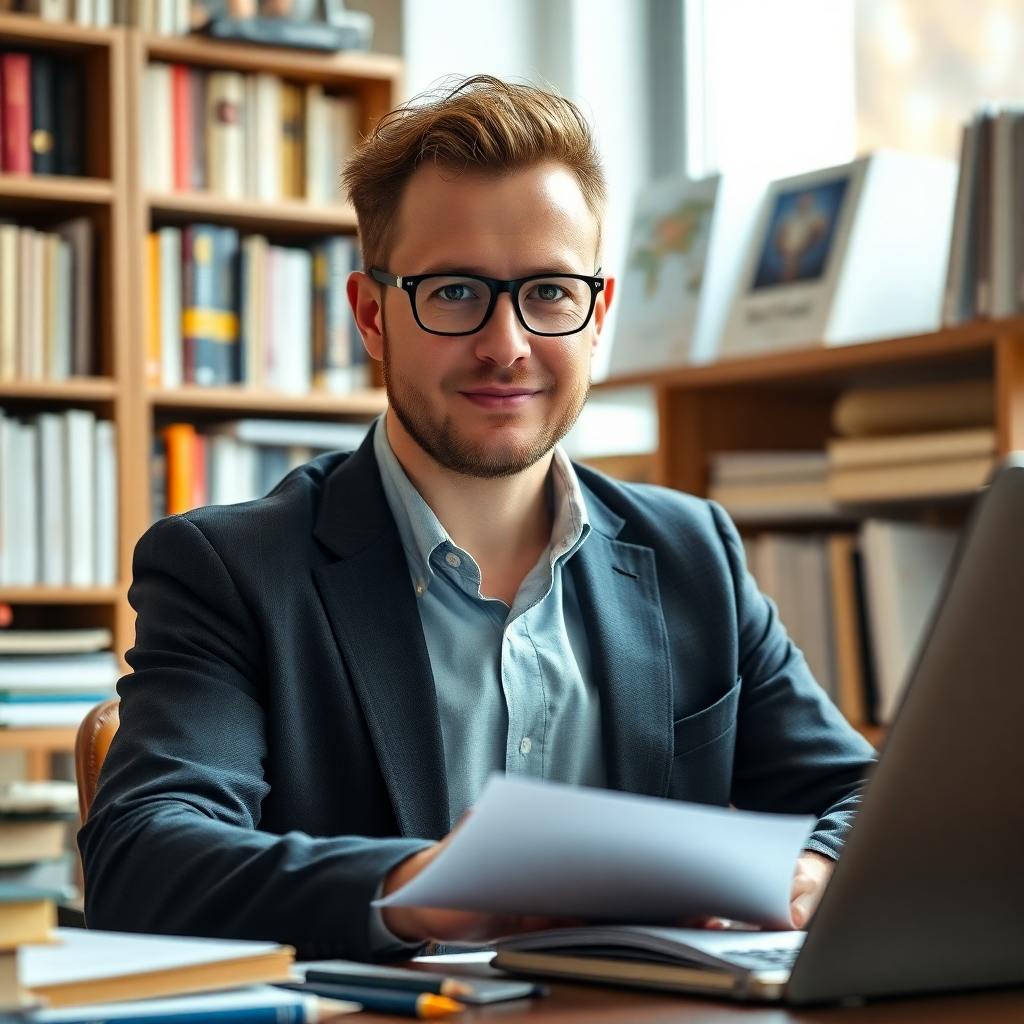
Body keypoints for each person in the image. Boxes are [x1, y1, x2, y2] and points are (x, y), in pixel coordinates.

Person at [79, 76, 876, 960]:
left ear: (597, 312)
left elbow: (866, 793)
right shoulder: (230, 569)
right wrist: (425, 892)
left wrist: (818, 869)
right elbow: (142, 860)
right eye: (456, 293)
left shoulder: (693, 553)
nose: (508, 345)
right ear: (373, 315)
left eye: (549, 292)